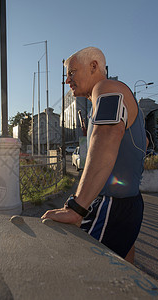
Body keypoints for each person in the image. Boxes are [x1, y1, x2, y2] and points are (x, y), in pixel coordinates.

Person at [42, 47, 147, 264]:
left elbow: (107, 135)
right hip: (126, 202)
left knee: (80, 269)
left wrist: (77, 208)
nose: (67, 80)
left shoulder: (107, 87)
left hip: (111, 204)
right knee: (120, 265)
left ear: (94, 66)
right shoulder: (107, 100)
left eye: (72, 72)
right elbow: (142, 142)